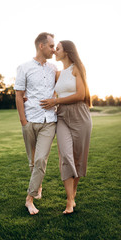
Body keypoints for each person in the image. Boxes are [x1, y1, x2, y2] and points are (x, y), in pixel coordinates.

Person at [40, 40, 92, 214]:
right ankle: (70, 201)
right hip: (61, 116)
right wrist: (30, 99)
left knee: (77, 159)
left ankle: (72, 197)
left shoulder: (78, 68)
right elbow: (47, 93)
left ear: (68, 51)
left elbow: (80, 94)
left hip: (80, 115)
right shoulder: (57, 74)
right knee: (66, 157)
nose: (55, 51)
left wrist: (56, 100)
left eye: (58, 48)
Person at [14, 32, 57, 215]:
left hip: (49, 121)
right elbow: (18, 94)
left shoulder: (54, 68)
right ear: (42, 46)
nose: (53, 50)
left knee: (40, 159)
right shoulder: (24, 67)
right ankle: (38, 185)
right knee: (32, 161)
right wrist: (23, 121)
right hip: (30, 120)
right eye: (51, 46)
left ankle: (29, 199)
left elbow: (65, 84)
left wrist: (55, 101)